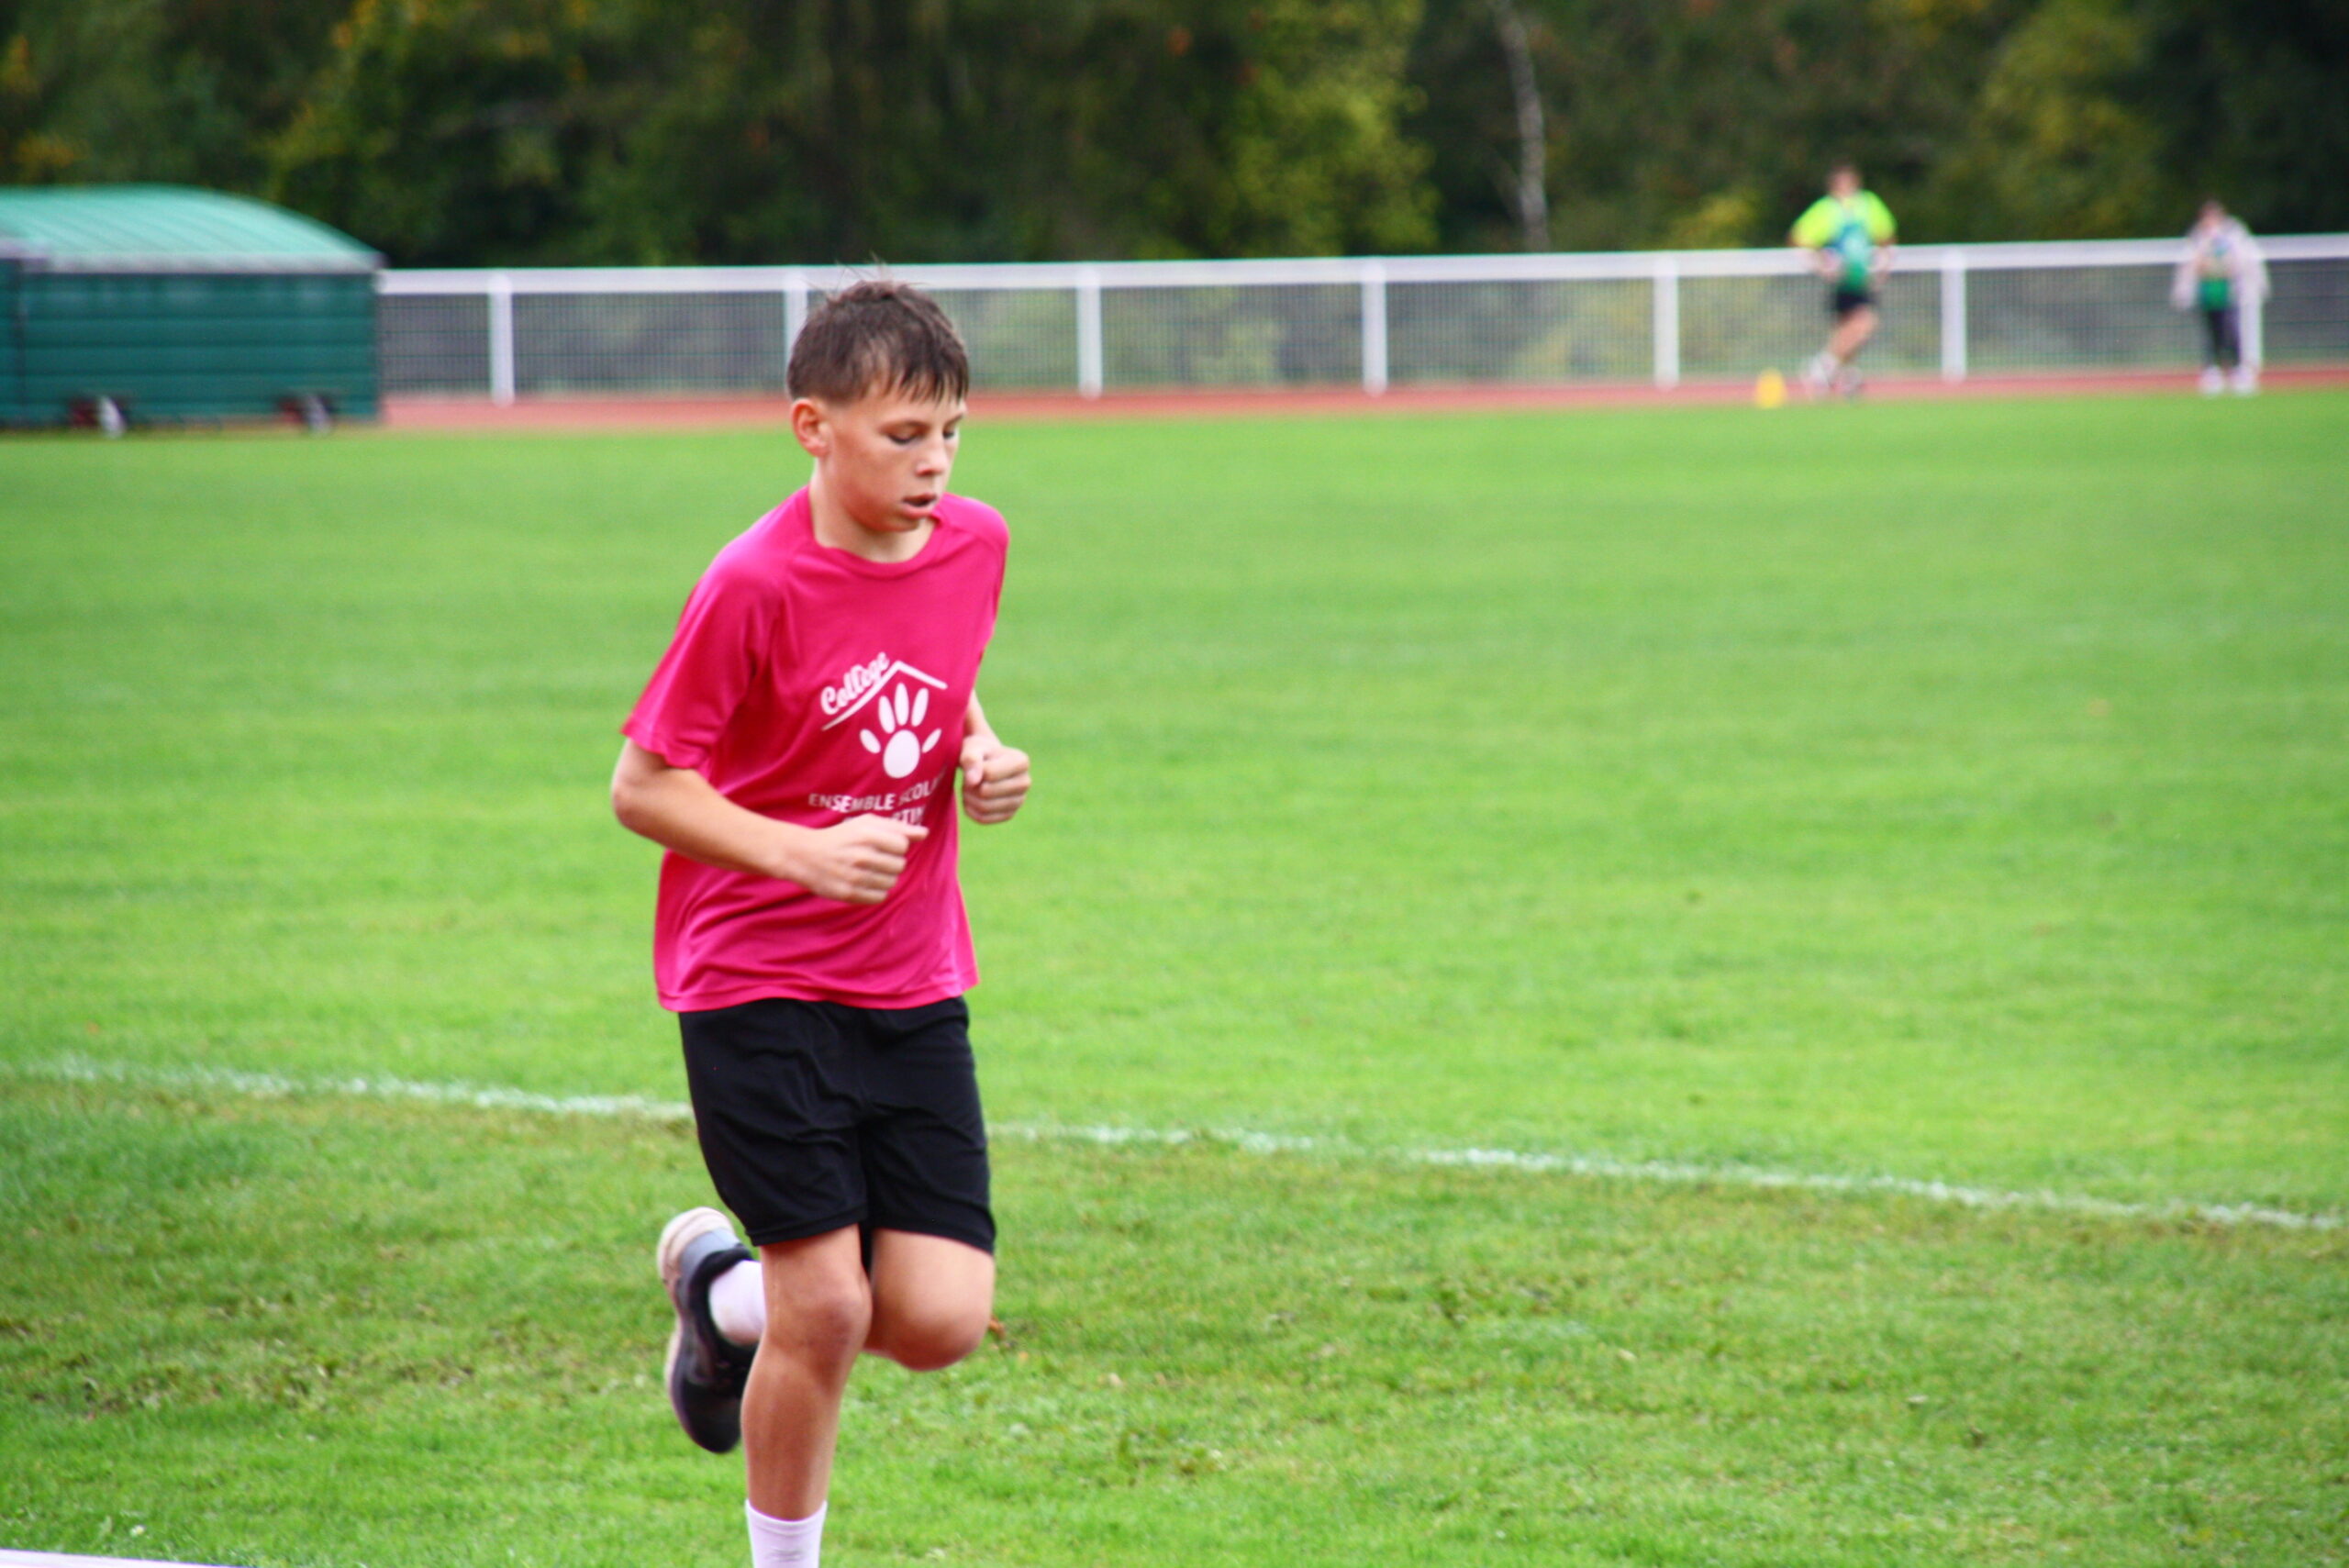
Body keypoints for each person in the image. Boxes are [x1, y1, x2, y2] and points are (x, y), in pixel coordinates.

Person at [611, 279, 1030, 1568]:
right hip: (755, 978)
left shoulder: (977, 544)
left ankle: (716, 1297)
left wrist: (982, 750)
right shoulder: (751, 582)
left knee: (941, 1318)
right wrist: (802, 851)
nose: (935, 461)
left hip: (910, 976)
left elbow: (935, 676)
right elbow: (644, 787)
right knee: (830, 1304)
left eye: (950, 431)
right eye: (903, 435)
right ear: (813, 426)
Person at [1789, 161, 1898, 399]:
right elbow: (1800, 237)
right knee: (1862, 324)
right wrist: (1822, 264)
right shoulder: (1827, 209)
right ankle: (1824, 366)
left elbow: (1887, 235)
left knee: (1850, 330)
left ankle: (1844, 375)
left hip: (1862, 278)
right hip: (1843, 280)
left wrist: (1883, 265)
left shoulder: (1868, 205)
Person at [2172, 199, 2267, 395]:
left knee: (2232, 331)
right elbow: (2189, 267)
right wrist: (2184, 291)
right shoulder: (2197, 238)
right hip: (2207, 295)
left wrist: (2256, 285)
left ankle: (2239, 370)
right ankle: (2212, 371)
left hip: (2229, 294)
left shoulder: (2233, 235)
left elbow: (2245, 262)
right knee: (2211, 333)